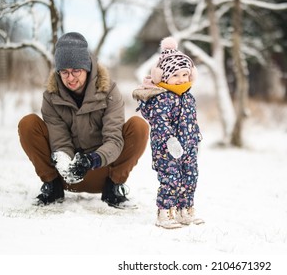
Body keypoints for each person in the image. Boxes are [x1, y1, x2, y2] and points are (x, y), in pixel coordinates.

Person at [18, 32, 149, 209]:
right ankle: (52, 187)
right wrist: (66, 164)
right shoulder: (51, 96)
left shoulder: (109, 91)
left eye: (75, 71)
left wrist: (92, 160)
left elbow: (114, 140)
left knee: (138, 126)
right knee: (28, 123)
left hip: (101, 170)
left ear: (87, 68)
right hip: (66, 175)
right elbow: (60, 140)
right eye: (64, 72)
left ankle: (114, 188)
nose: (70, 78)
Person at [132, 37, 204, 228]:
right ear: (163, 76)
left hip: (189, 147)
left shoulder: (188, 97)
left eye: (185, 74)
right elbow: (160, 122)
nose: (181, 79)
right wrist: (170, 141)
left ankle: (184, 210)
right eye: (176, 75)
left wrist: (196, 137)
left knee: (190, 177)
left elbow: (191, 121)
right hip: (167, 148)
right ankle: (165, 213)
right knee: (170, 179)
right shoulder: (161, 98)